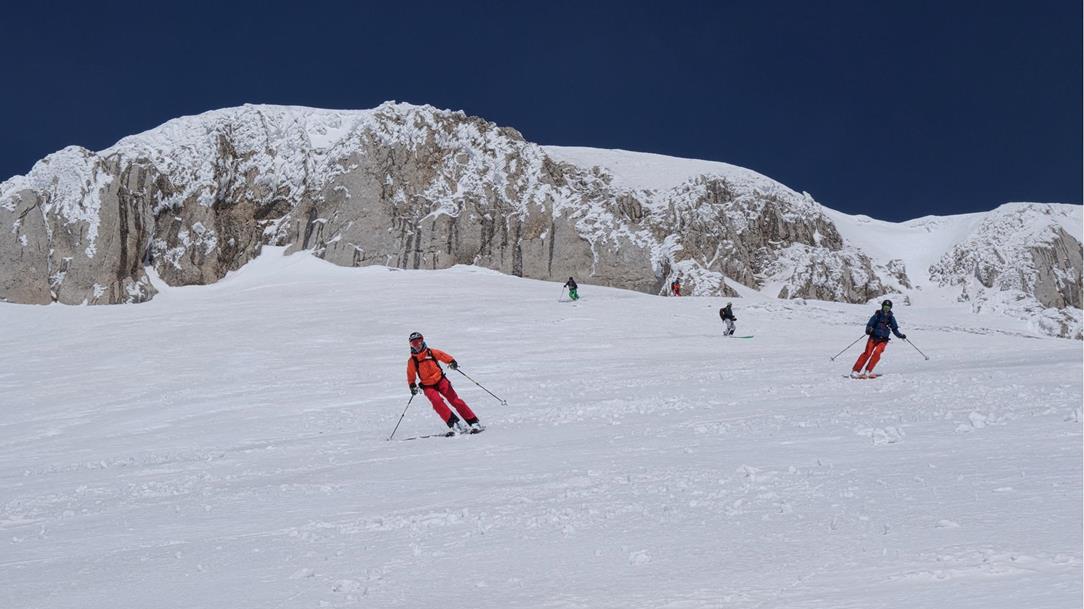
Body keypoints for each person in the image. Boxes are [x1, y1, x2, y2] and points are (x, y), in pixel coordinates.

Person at [406, 332, 483, 433]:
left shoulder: (431, 352)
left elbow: (443, 356)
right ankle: (455, 424)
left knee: (454, 400)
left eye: (418, 342)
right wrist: (412, 386)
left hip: (441, 380)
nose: (417, 346)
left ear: (422, 341)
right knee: (437, 402)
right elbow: (410, 375)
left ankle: (473, 422)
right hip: (427, 386)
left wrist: (452, 362)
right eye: (413, 344)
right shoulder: (412, 361)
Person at [851, 299, 907, 379]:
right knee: (867, 353)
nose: (886, 308)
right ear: (882, 307)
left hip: (883, 340)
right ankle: (855, 371)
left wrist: (900, 336)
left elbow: (895, 329)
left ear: (890, 308)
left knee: (877, 353)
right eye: (885, 307)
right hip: (873, 338)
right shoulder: (877, 315)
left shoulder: (891, 318)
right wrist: (868, 330)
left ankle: (868, 371)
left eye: (888, 307)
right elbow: (869, 324)